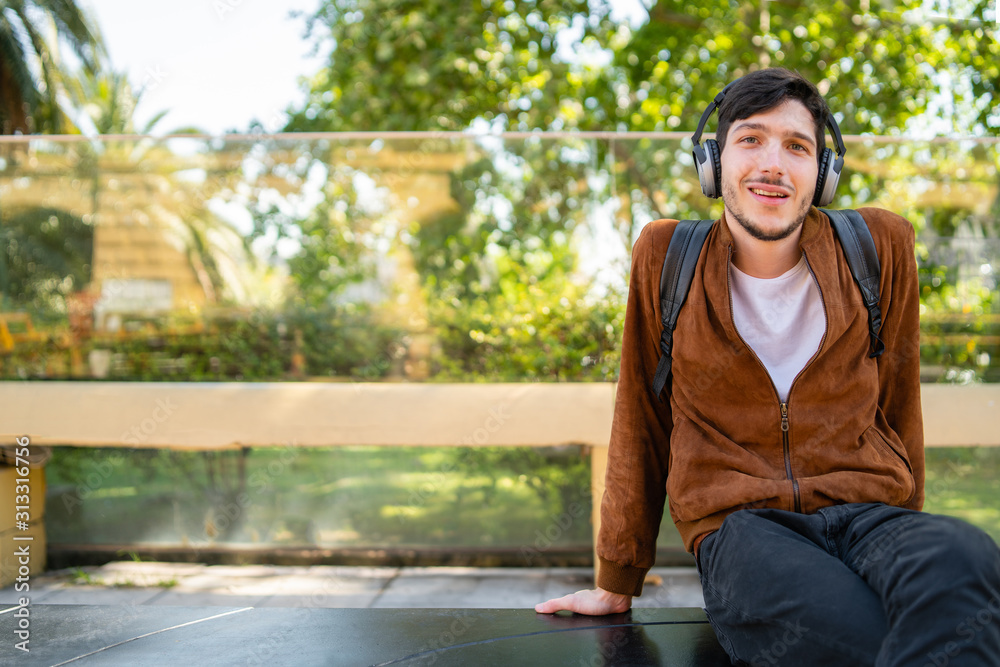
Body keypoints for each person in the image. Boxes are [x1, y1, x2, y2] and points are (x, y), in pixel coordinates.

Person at [535, 68, 1000, 666]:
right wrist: (618, 577)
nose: (773, 164)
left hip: (869, 515)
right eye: (751, 139)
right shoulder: (666, 255)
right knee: (845, 621)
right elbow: (641, 418)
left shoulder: (879, 245)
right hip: (743, 530)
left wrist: (902, 551)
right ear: (714, 162)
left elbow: (899, 402)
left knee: (966, 559)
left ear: (822, 173)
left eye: (797, 146)